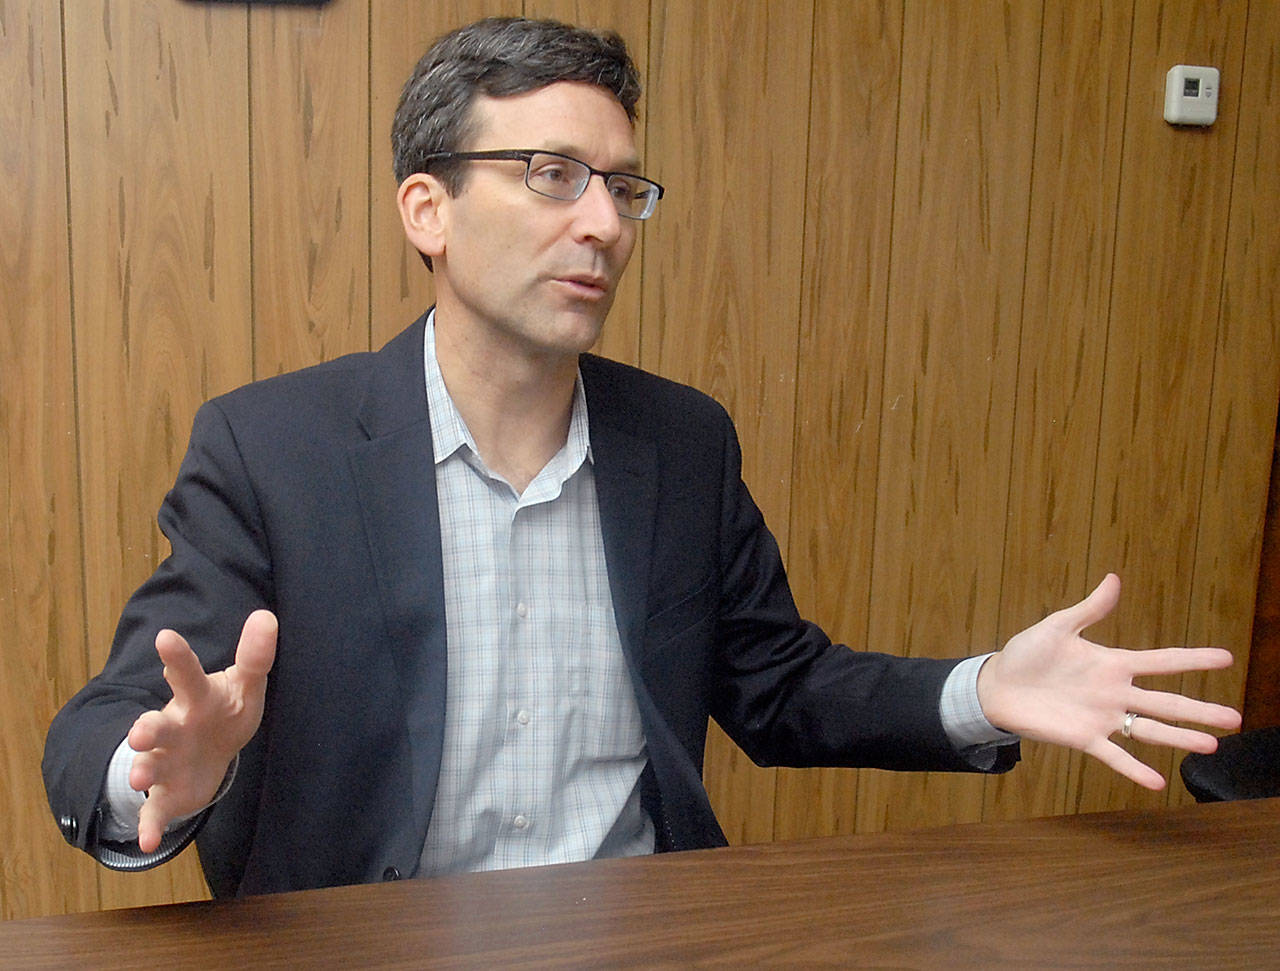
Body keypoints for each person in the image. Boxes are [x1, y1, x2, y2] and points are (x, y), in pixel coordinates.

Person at [43, 17, 1240, 897]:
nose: (604, 223)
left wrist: (979, 690)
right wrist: (159, 775)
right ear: (427, 210)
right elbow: (107, 722)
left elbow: (780, 687)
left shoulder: (680, 441)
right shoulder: (273, 447)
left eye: (622, 187)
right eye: (551, 175)